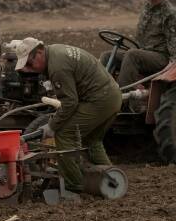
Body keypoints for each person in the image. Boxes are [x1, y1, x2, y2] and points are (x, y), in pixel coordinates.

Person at [14, 37, 122, 193]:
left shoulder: (57, 67)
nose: (30, 70)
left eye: (29, 64)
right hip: (110, 96)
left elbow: (70, 103)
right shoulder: (56, 50)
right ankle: (113, 181)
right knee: (92, 140)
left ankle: (74, 186)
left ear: (39, 52)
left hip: (99, 100)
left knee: (65, 135)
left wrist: (52, 126)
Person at [101, 0, 176, 88]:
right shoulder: (147, 7)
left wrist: (170, 66)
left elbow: (175, 47)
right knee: (108, 56)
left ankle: (121, 98)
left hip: (160, 57)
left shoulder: (170, 14)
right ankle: (100, 90)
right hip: (144, 51)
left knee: (132, 55)